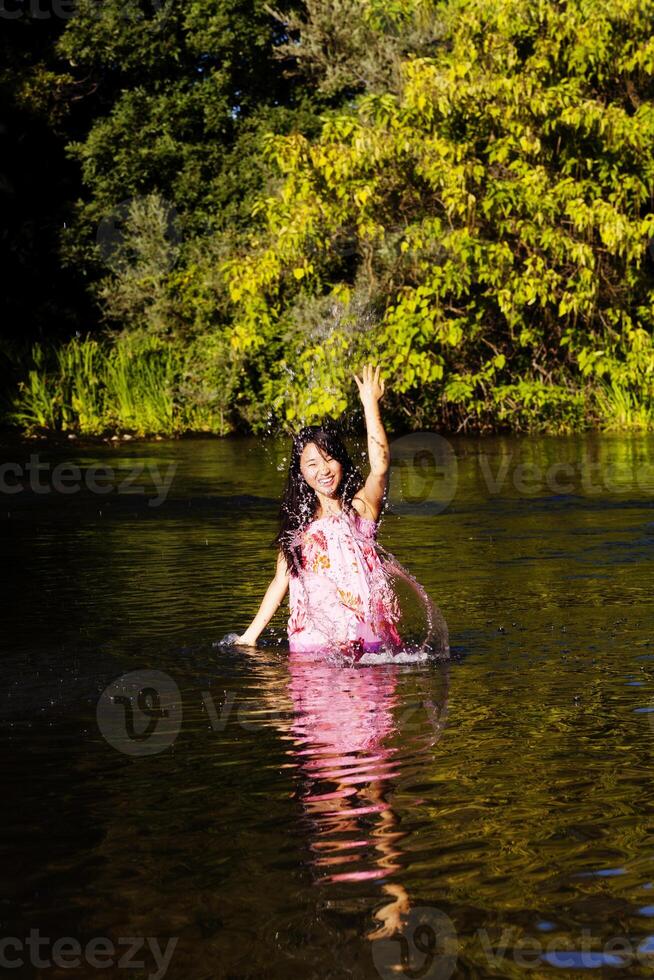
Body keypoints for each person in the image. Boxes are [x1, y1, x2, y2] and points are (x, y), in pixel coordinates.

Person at [236, 363, 403, 659]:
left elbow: (380, 466)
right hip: (312, 646)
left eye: (329, 459)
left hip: (369, 642)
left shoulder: (361, 508)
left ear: (341, 462)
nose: (323, 470)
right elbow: (280, 581)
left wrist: (370, 405)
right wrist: (250, 636)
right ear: (301, 472)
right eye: (312, 464)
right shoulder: (299, 524)